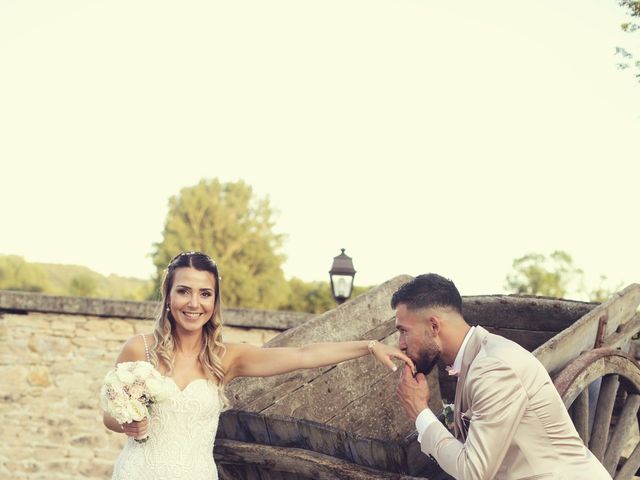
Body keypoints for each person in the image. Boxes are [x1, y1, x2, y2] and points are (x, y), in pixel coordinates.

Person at [103, 251, 413, 480]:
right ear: (168, 295)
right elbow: (109, 414)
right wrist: (127, 424)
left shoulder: (227, 358)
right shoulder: (139, 348)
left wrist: (368, 346)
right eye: (184, 291)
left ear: (214, 302)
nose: (194, 303)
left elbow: (303, 355)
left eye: (205, 294)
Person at [393, 273, 611, 480]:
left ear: (433, 326)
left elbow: (472, 473)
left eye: (404, 331)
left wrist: (419, 410)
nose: (400, 344)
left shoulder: (493, 368)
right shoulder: (474, 360)